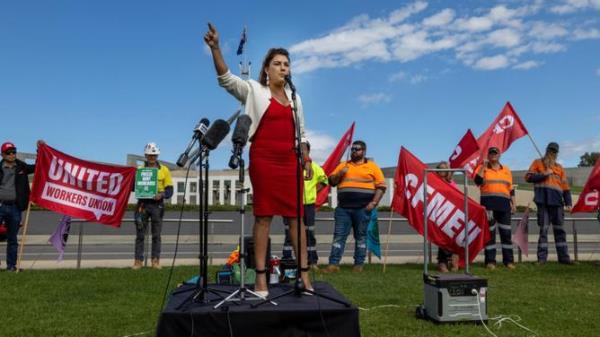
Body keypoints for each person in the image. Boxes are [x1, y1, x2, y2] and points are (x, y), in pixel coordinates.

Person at [205, 23, 313, 296]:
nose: (283, 68)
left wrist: (307, 157)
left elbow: (301, 134)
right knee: (263, 217)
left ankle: (304, 277)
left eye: (286, 64)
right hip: (264, 159)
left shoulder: (296, 99)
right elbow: (226, 79)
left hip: (290, 163)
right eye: (277, 63)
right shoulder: (254, 90)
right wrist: (216, 48)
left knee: (296, 220)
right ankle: (261, 279)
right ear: (267, 69)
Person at [323, 140, 386, 273]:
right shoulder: (343, 165)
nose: (354, 151)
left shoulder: (372, 167)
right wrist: (340, 173)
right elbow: (331, 182)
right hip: (343, 209)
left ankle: (358, 264)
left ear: (364, 151)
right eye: (352, 149)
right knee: (339, 236)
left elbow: (381, 187)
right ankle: (333, 264)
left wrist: (374, 203)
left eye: (357, 149)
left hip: (363, 209)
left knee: (361, 237)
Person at [525, 142, 573, 265]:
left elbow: (565, 187)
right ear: (546, 150)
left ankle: (564, 258)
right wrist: (544, 174)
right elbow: (528, 177)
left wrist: (568, 202)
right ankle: (541, 259)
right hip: (543, 202)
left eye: (554, 151)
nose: (552, 153)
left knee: (560, 231)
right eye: (550, 150)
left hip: (557, 203)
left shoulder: (560, 168)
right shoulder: (537, 163)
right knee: (543, 231)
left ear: (557, 154)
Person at [282, 142, 328, 271]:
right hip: (290, 205)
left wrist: (313, 191)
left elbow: (324, 181)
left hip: (308, 205)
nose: (301, 152)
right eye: (299, 150)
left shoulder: (315, 167)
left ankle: (312, 261)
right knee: (289, 234)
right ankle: (287, 261)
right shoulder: (289, 165)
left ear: (308, 151)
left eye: (304, 150)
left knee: (309, 233)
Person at [0, 140, 43, 271]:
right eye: (9, 152)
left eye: (14, 151)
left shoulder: (22, 167)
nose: (12, 154)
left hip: (15, 208)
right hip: (0, 206)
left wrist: (40, 150)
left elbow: (38, 166)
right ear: (2, 154)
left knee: (12, 239)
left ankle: (11, 266)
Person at [474, 147, 516, 270]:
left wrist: (513, 203)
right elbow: (477, 181)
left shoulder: (507, 170)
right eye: (491, 153)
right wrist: (483, 167)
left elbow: (511, 189)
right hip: (488, 206)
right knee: (490, 235)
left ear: (499, 155)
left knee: (506, 234)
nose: (493, 155)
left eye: (495, 153)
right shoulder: (483, 168)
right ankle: (490, 261)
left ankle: (508, 261)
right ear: (488, 155)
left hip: (504, 207)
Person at [133, 142, 173, 270]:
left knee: (156, 235)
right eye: (150, 155)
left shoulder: (164, 170)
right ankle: (138, 261)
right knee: (140, 235)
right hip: (142, 205)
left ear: (157, 155)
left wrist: (161, 195)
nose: (152, 157)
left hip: (157, 205)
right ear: (145, 155)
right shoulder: (139, 170)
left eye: (154, 155)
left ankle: (155, 261)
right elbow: (132, 187)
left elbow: (170, 190)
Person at [434, 161, 460, 273]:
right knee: (442, 239)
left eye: (444, 168)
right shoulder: (433, 182)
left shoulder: (452, 183)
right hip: (439, 214)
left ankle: (454, 259)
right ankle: (442, 262)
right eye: (440, 168)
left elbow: (458, 197)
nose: (442, 170)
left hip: (451, 214)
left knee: (453, 238)